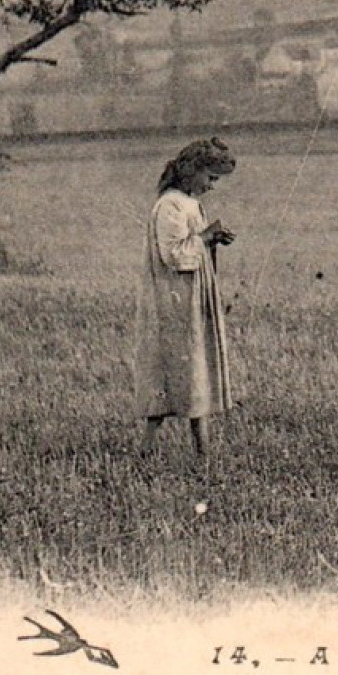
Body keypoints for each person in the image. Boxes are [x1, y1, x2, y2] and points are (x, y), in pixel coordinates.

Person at [136, 137, 238, 456]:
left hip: (191, 299)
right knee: (172, 371)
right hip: (174, 301)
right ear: (192, 171)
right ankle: (148, 449)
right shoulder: (170, 205)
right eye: (210, 178)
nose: (212, 186)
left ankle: (201, 452)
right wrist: (206, 236)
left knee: (196, 370)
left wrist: (212, 239)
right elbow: (175, 255)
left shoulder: (189, 203)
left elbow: (192, 246)